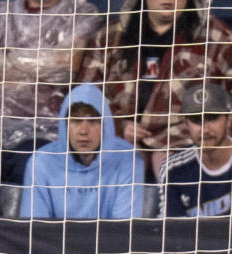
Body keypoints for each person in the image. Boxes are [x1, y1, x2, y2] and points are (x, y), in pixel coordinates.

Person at [77, 0, 232, 179]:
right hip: (121, 138)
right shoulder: (110, 35)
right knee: (123, 160)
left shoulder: (214, 35)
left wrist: (210, 130)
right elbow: (84, 95)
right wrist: (117, 127)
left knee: (171, 163)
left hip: (184, 140)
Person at [0, 0, 103, 182]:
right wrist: (39, 66)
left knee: (30, 167)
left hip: (46, 131)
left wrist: (5, 60)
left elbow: (66, 64)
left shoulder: (81, 12)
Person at [20, 83, 145, 219]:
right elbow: (34, 232)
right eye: (76, 121)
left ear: (105, 125)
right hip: (54, 240)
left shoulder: (128, 160)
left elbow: (125, 231)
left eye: (92, 121)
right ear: (65, 125)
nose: (83, 131)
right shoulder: (41, 163)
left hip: (111, 240)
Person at [159, 84, 232, 217]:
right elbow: (171, 234)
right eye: (196, 120)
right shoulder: (172, 169)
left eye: (213, 118)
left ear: (229, 120)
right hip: (189, 238)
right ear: (185, 123)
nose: (205, 129)